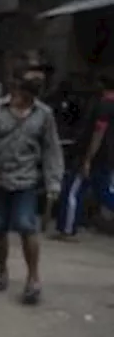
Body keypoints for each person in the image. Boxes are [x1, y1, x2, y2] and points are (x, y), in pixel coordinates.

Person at [0, 58, 64, 305]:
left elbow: (51, 150)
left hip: (26, 179)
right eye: (25, 93)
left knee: (26, 225)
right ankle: (2, 271)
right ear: (15, 88)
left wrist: (53, 184)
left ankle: (33, 278)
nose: (27, 100)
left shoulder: (44, 115)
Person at [56, 73, 114, 239]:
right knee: (104, 192)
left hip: (95, 155)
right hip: (107, 157)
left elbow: (98, 132)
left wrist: (88, 158)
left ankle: (67, 229)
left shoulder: (104, 105)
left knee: (73, 190)